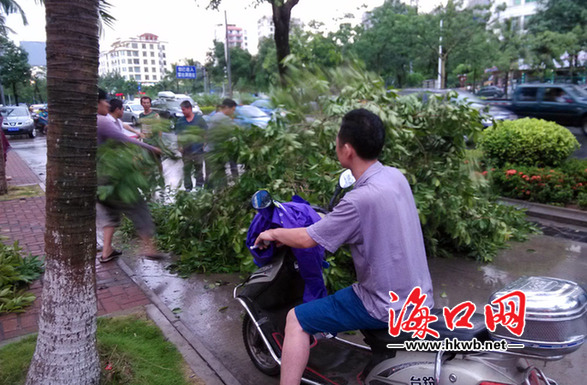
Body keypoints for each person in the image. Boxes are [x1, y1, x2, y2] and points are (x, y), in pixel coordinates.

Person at [254, 108, 434, 385]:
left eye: (337, 139)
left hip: (382, 304)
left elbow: (306, 239)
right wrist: (326, 220)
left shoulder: (358, 200)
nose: (336, 143)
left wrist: (272, 232)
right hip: (418, 297)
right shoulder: (395, 177)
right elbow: (363, 222)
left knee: (296, 319)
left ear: (347, 149)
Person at [96, 89, 163, 263]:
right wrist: (151, 148)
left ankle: (106, 251)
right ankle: (149, 247)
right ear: (96, 103)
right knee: (139, 207)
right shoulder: (101, 121)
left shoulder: (82, 123)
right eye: (104, 101)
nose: (107, 105)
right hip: (113, 178)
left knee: (111, 214)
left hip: (97, 181)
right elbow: (123, 139)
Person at [175, 100, 208, 191]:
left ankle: (199, 188)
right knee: (187, 170)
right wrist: (180, 146)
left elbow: (205, 132)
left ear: (190, 108)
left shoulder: (199, 119)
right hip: (186, 151)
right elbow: (178, 135)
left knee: (199, 170)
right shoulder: (180, 121)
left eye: (184, 109)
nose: (183, 112)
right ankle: (188, 188)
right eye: (182, 110)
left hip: (198, 150)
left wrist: (204, 143)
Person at [207, 98, 239, 181]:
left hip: (209, 150)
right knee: (219, 176)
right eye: (233, 110)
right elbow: (236, 131)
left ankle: (209, 192)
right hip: (216, 151)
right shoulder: (224, 119)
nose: (233, 112)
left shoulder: (215, 116)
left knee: (211, 175)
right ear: (227, 108)